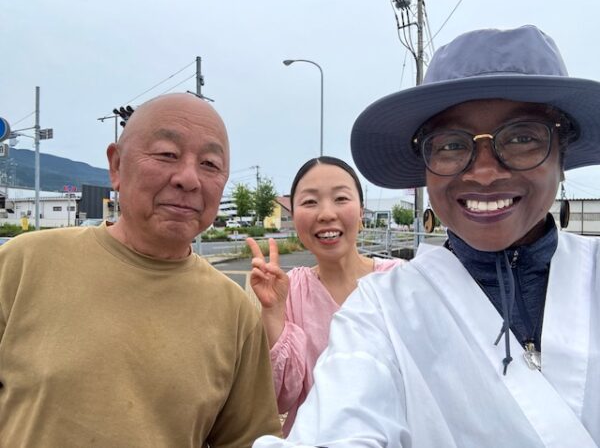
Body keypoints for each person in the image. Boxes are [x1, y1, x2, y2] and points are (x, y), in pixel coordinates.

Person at [254, 26, 600, 447]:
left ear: (563, 152)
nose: (485, 171)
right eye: (452, 144)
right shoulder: (380, 309)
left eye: (523, 137)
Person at [0, 93, 281, 447]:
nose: (188, 178)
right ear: (116, 166)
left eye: (210, 164)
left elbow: (250, 439)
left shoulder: (235, 312)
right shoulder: (23, 263)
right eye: (167, 154)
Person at [246, 156, 405, 435]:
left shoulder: (400, 280)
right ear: (294, 216)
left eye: (341, 198)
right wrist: (272, 310)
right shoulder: (291, 289)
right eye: (310, 202)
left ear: (361, 211)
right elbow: (281, 397)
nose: (326, 213)